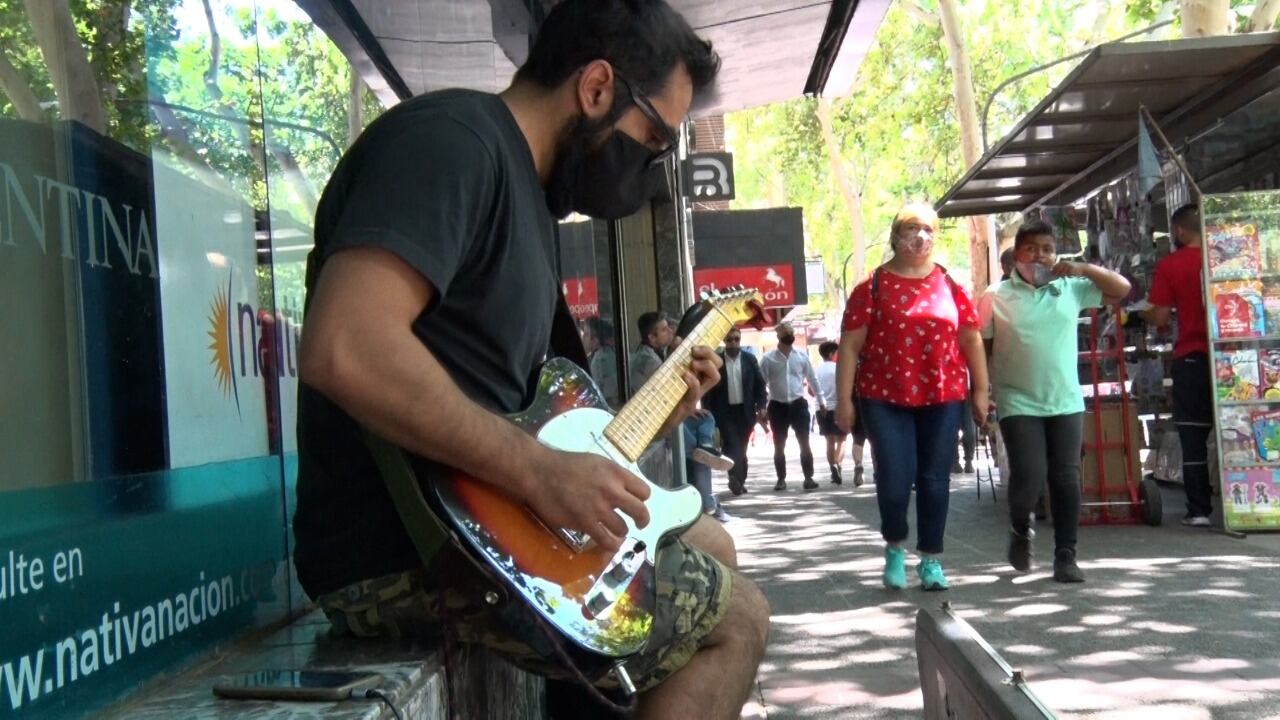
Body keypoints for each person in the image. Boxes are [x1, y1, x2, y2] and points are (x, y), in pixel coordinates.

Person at [292, 3, 768, 718]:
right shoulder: (451, 143)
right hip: (403, 552)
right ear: (598, 88)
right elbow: (345, 346)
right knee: (737, 621)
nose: (652, 169)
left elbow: (533, 416)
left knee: (712, 544)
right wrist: (537, 472)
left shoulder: (526, 196)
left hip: (492, 521)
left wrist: (660, 412)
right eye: (655, 141)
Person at [835, 203, 989, 591]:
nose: (920, 238)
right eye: (911, 230)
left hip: (943, 394)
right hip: (884, 396)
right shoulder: (871, 286)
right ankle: (894, 548)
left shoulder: (950, 284)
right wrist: (844, 400)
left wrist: (982, 390)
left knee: (936, 479)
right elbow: (851, 346)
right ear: (895, 237)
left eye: (928, 230)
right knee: (895, 479)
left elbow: (970, 338)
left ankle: (932, 560)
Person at [979, 220, 1131, 583]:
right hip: (1017, 400)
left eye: (1047, 249)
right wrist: (984, 394)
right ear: (1017, 255)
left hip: (1065, 400)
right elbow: (980, 346)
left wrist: (1082, 267)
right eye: (1032, 249)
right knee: (1029, 476)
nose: (1040, 256)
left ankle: (1066, 555)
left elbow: (1122, 288)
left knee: (1066, 477)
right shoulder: (995, 296)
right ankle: (1020, 529)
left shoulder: (1071, 289)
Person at [1144, 204, 1214, 527]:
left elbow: (1159, 316)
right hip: (1231, 355)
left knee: (1193, 435)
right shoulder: (1221, 256)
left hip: (1191, 355)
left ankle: (1199, 509)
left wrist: (1138, 312)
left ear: (1180, 231)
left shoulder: (1171, 265)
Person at [760, 322, 825, 491]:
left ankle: (808, 478)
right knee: (779, 445)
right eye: (786, 332)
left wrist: (822, 400)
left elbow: (812, 379)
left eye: (791, 331)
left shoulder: (802, 357)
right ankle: (781, 479)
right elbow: (761, 384)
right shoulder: (768, 359)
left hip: (798, 405)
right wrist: (761, 406)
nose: (789, 334)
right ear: (779, 336)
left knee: (805, 443)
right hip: (777, 406)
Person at [704, 327, 768, 495]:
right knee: (732, 445)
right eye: (730, 339)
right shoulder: (716, 361)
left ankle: (739, 480)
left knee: (742, 448)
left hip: (745, 412)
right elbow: (708, 389)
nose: (733, 343)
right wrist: (707, 410)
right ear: (724, 341)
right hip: (724, 412)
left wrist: (761, 406)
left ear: (740, 340)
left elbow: (760, 386)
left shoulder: (749, 360)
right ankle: (735, 479)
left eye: (736, 339)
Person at [815, 340, 865, 486]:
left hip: (821, 408)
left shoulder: (817, 370)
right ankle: (839, 465)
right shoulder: (839, 369)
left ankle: (833, 467)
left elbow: (812, 390)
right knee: (842, 440)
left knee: (829, 441)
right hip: (838, 407)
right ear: (831, 354)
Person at [583, 316, 619, 407]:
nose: (583, 338)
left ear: (595, 340)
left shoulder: (600, 361)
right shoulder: (608, 354)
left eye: (586, 334)